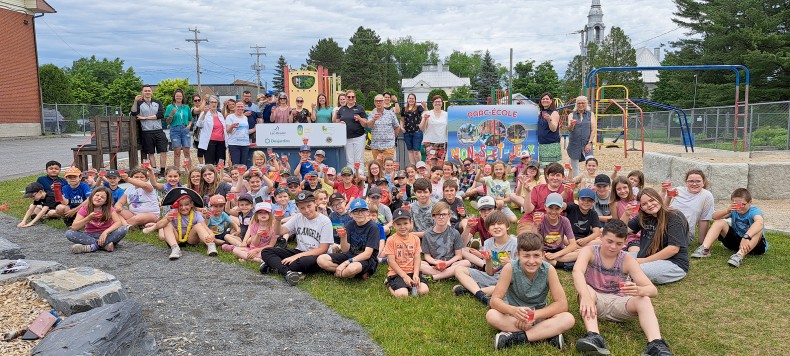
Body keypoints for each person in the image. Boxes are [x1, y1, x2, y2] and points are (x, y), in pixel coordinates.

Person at [573, 219, 673, 356]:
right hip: (593, 302)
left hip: (620, 303)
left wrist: (640, 290)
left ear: (625, 242)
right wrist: (584, 296)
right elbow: (577, 272)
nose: (613, 247)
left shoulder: (627, 260)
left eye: (619, 243)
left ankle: (656, 344)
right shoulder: (589, 251)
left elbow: (653, 290)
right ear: (601, 238)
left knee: (644, 299)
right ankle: (594, 336)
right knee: (586, 290)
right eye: (609, 241)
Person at [486, 233, 575, 350]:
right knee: (492, 315)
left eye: (536, 255)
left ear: (543, 255)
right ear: (517, 255)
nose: (531, 261)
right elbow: (495, 300)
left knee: (568, 319)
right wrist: (513, 311)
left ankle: (516, 337)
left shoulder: (548, 270)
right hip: (515, 316)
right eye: (526, 256)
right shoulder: (510, 268)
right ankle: (546, 334)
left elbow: (562, 304)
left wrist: (534, 316)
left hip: (539, 316)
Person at [259, 191, 333, 286]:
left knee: (301, 262)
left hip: (317, 255)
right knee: (266, 251)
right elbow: (280, 231)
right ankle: (287, 272)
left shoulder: (325, 221)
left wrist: (296, 257)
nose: (306, 210)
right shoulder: (298, 217)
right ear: (298, 208)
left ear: (315, 203)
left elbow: (323, 249)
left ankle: (273, 267)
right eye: (302, 208)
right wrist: (278, 220)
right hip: (300, 251)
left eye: (309, 206)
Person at [453, 210, 517, 306]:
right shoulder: (488, 243)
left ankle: (471, 291)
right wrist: (488, 260)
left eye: (500, 224)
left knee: (507, 287)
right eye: (492, 225)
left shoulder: (516, 243)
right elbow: (489, 272)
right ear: (488, 229)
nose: (496, 227)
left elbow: (523, 270)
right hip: (492, 278)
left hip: (509, 280)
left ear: (507, 226)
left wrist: (511, 262)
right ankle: (481, 295)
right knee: (458, 270)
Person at [691, 188, 767, 268]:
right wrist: (727, 211)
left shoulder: (754, 211)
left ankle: (739, 256)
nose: (739, 207)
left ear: (750, 203)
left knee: (758, 230)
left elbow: (759, 222)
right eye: (736, 204)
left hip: (755, 247)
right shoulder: (734, 210)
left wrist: (746, 237)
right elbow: (714, 217)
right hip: (736, 243)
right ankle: (705, 249)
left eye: (742, 204)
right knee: (719, 222)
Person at [628, 188, 689, 284]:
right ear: (641, 207)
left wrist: (644, 260)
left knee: (634, 270)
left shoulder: (674, 216)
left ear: (658, 198)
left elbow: (673, 249)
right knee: (617, 259)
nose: (649, 205)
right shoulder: (644, 217)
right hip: (646, 256)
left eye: (651, 200)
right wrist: (626, 213)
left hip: (673, 263)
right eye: (644, 204)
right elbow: (622, 230)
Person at [142, 188, 216, 259]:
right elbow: (159, 225)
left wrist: (211, 234)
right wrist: (167, 220)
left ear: (191, 204)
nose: (183, 208)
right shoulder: (173, 213)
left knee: (199, 225)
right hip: (177, 239)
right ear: (177, 205)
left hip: (191, 239)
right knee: (167, 224)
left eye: (186, 205)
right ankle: (175, 248)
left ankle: (211, 246)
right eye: (180, 205)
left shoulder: (196, 214)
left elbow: (204, 227)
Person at [317, 198, 379, 279]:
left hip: (366, 259)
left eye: (362, 210)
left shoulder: (373, 227)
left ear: (367, 212)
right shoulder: (350, 225)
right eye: (356, 211)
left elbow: (367, 254)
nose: (360, 214)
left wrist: (346, 263)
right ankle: (354, 274)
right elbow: (345, 250)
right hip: (350, 254)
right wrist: (343, 238)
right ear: (351, 214)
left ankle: (341, 273)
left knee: (352, 268)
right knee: (321, 259)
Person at [510, 163, 574, 234]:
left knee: (553, 241)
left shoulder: (568, 191)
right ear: (547, 176)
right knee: (527, 241)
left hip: (555, 224)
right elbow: (528, 211)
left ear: (563, 177)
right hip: (532, 220)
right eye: (552, 175)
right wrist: (528, 192)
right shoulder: (538, 189)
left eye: (558, 175)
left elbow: (571, 211)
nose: (555, 178)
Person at [65, 186, 127, 253]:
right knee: (69, 233)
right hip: (90, 235)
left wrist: (105, 232)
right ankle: (104, 246)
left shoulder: (109, 208)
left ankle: (90, 247)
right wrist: (88, 218)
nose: (99, 198)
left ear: (106, 201)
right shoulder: (84, 208)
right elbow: (74, 227)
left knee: (123, 229)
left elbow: (118, 223)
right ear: (92, 196)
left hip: (106, 235)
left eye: (102, 197)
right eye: (97, 195)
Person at [384, 208, 429, 297]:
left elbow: (417, 258)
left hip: (412, 271)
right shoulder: (391, 240)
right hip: (397, 273)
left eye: (405, 223)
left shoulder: (415, 239)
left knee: (424, 291)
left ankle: (411, 285)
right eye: (398, 224)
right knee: (402, 295)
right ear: (393, 225)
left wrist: (416, 274)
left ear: (411, 223)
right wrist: (404, 276)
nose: (402, 227)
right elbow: (391, 261)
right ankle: (389, 284)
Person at [420, 202, 470, 280]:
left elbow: (458, 255)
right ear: (433, 216)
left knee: (466, 263)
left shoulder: (454, 233)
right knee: (419, 264)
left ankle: (435, 277)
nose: (441, 217)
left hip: (450, 263)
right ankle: (448, 274)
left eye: (444, 214)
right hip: (434, 263)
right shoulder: (427, 234)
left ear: (449, 216)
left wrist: (447, 263)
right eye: (438, 214)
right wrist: (435, 262)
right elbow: (427, 256)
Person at [666, 170, 714, 244]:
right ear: (686, 182)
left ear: (703, 183)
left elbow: (704, 219)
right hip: (666, 226)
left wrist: (703, 243)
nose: (694, 184)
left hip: (684, 232)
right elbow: (663, 208)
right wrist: (668, 197)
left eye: (698, 181)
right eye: (691, 181)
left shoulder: (706, 195)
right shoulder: (677, 190)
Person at [131, 85, 167, 176]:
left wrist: (144, 117)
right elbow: (134, 113)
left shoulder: (157, 102)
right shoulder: (139, 103)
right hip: (147, 131)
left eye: (149, 91)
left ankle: (163, 171)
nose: (147, 92)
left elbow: (160, 115)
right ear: (142, 93)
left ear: (152, 92)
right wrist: (135, 101)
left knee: (163, 151)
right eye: (145, 91)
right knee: (150, 152)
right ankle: (154, 171)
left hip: (158, 130)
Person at [539, 193, 578, 268]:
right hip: (543, 252)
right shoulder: (540, 220)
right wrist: (535, 225)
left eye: (557, 208)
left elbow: (573, 245)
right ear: (545, 207)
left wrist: (555, 255)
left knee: (581, 252)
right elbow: (532, 242)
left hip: (559, 251)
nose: (553, 212)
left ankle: (552, 261)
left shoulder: (564, 221)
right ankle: (562, 264)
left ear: (562, 209)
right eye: (550, 208)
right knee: (536, 255)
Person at [334, 90, 368, 173]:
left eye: (352, 97)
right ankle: (351, 178)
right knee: (349, 160)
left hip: (359, 137)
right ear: (346, 98)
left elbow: (365, 124)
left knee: (358, 159)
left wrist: (359, 118)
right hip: (347, 138)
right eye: (349, 97)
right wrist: (340, 123)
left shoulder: (360, 108)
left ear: (355, 98)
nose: (351, 98)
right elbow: (336, 122)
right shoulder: (342, 109)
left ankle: (360, 180)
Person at [566, 96, 597, 173]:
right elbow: (569, 129)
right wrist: (572, 124)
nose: (581, 105)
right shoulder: (571, 115)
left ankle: (590, 181)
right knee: (575, 168)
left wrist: (589, 143)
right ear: (576, 104)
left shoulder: (591, 114)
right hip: (574, 144)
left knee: (591, 163)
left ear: (586, 104)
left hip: (587, 143)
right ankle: (576, 183)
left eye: (583, 103)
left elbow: (593, 130)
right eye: (579, 103)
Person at [165, 89, 192, 172]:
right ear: (174, 97)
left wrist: (189, 125)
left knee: (186, 152)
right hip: (175, 130)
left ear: (182, 97)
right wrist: (171, 115)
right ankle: (177, 172)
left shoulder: (186, 107)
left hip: (185, 129)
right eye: (177, 96)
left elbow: (190, 119)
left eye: (180, 96)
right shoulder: (170, 107)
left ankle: (190, 171)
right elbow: (167, 122)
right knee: (177, 152)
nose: (179, 97)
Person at [195, 95, 227, 165]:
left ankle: (220, 175)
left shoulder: (220, 115)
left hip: (221, 142)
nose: (213, 104)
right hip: (210, 142)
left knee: (220, 163)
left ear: (217, 104)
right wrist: (204, 114)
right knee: (210, 163)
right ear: (208, 103)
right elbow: (199, 124)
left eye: (215, 102)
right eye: (212, 102)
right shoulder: (204, 113)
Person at [367, 94, 400, 160]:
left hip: (388, 145)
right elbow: (369, 126)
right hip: (376, 146)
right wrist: (374, 119)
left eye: (380, 101)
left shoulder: (390, 113)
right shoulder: (371, 114)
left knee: (389, 167)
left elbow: (397, 127)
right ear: (374, 102)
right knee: (378, 168)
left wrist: (393, 138)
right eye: (376, 101)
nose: (378, 103)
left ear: (383, 101)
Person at [420, 95, 448, 161]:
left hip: (442, 142)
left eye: (439, 101)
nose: (437, 103)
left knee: (440, 162)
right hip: (429, 141)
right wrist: (425, 119)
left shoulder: (446, 114)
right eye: (436, 102)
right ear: (432, 103)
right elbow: (421, 128)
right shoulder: (427, 113)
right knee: (430, 162)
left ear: (442, 103)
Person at [225, 101, 252, 168]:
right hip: (234, 144)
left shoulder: (245, 118)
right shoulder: (230, 117)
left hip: (245, 144)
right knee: (236, 165)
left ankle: (242, 178)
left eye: (241, 106)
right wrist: (232, 126)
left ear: (244, 107)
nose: (240, 108)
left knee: (244, 165)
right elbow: (228, 130)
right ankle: (235, 178)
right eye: (238, 106)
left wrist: (255, 129)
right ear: (235, 108)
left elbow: (245, 131)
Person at [536, 92, 561, 164]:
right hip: (542, 145)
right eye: (543, 99)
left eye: (547, 99)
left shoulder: (554, 113)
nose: (545, 100)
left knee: (553, 168)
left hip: (552, 144)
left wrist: (549, 120)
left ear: (551, 101)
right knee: (545, 168)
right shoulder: (540, 113)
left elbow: (553, 129)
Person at [400, 94, 425, 165]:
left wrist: (425, 106)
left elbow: (425, 114)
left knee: (416, 151)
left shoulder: (419, 107)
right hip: (407, 132)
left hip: (417, 132)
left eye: (412, 98)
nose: (411, 100)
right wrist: (402, 127)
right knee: (410, 151)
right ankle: (413, 166)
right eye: (409, 98)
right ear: (407, 99)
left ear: (415, 100)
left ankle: (419, 165)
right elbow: (402, 120)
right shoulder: (404, 109)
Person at [191, 94, 206, 165]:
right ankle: (201, 164)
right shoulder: (192, 109)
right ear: (193, 102)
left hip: (206, 131)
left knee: (207, 148)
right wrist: (204, 100)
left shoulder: (205, 108)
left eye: (199, 100)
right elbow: (199, 110)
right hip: (197, 132)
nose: (197, 101)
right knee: (200, 149)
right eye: (195, 100)